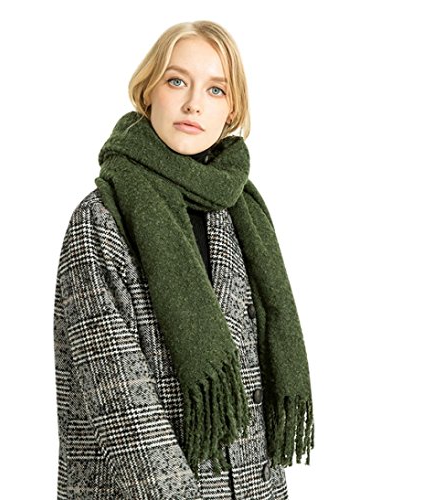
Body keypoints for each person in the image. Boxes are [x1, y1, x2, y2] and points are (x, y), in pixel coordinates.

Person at [53, 20, 314, 500]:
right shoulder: (101, 219)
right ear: (147, 90)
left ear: (231, 109)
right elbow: (121, 404)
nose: (194, 103)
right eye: (177, 81)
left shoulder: (238, 213)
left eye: (216, 89)